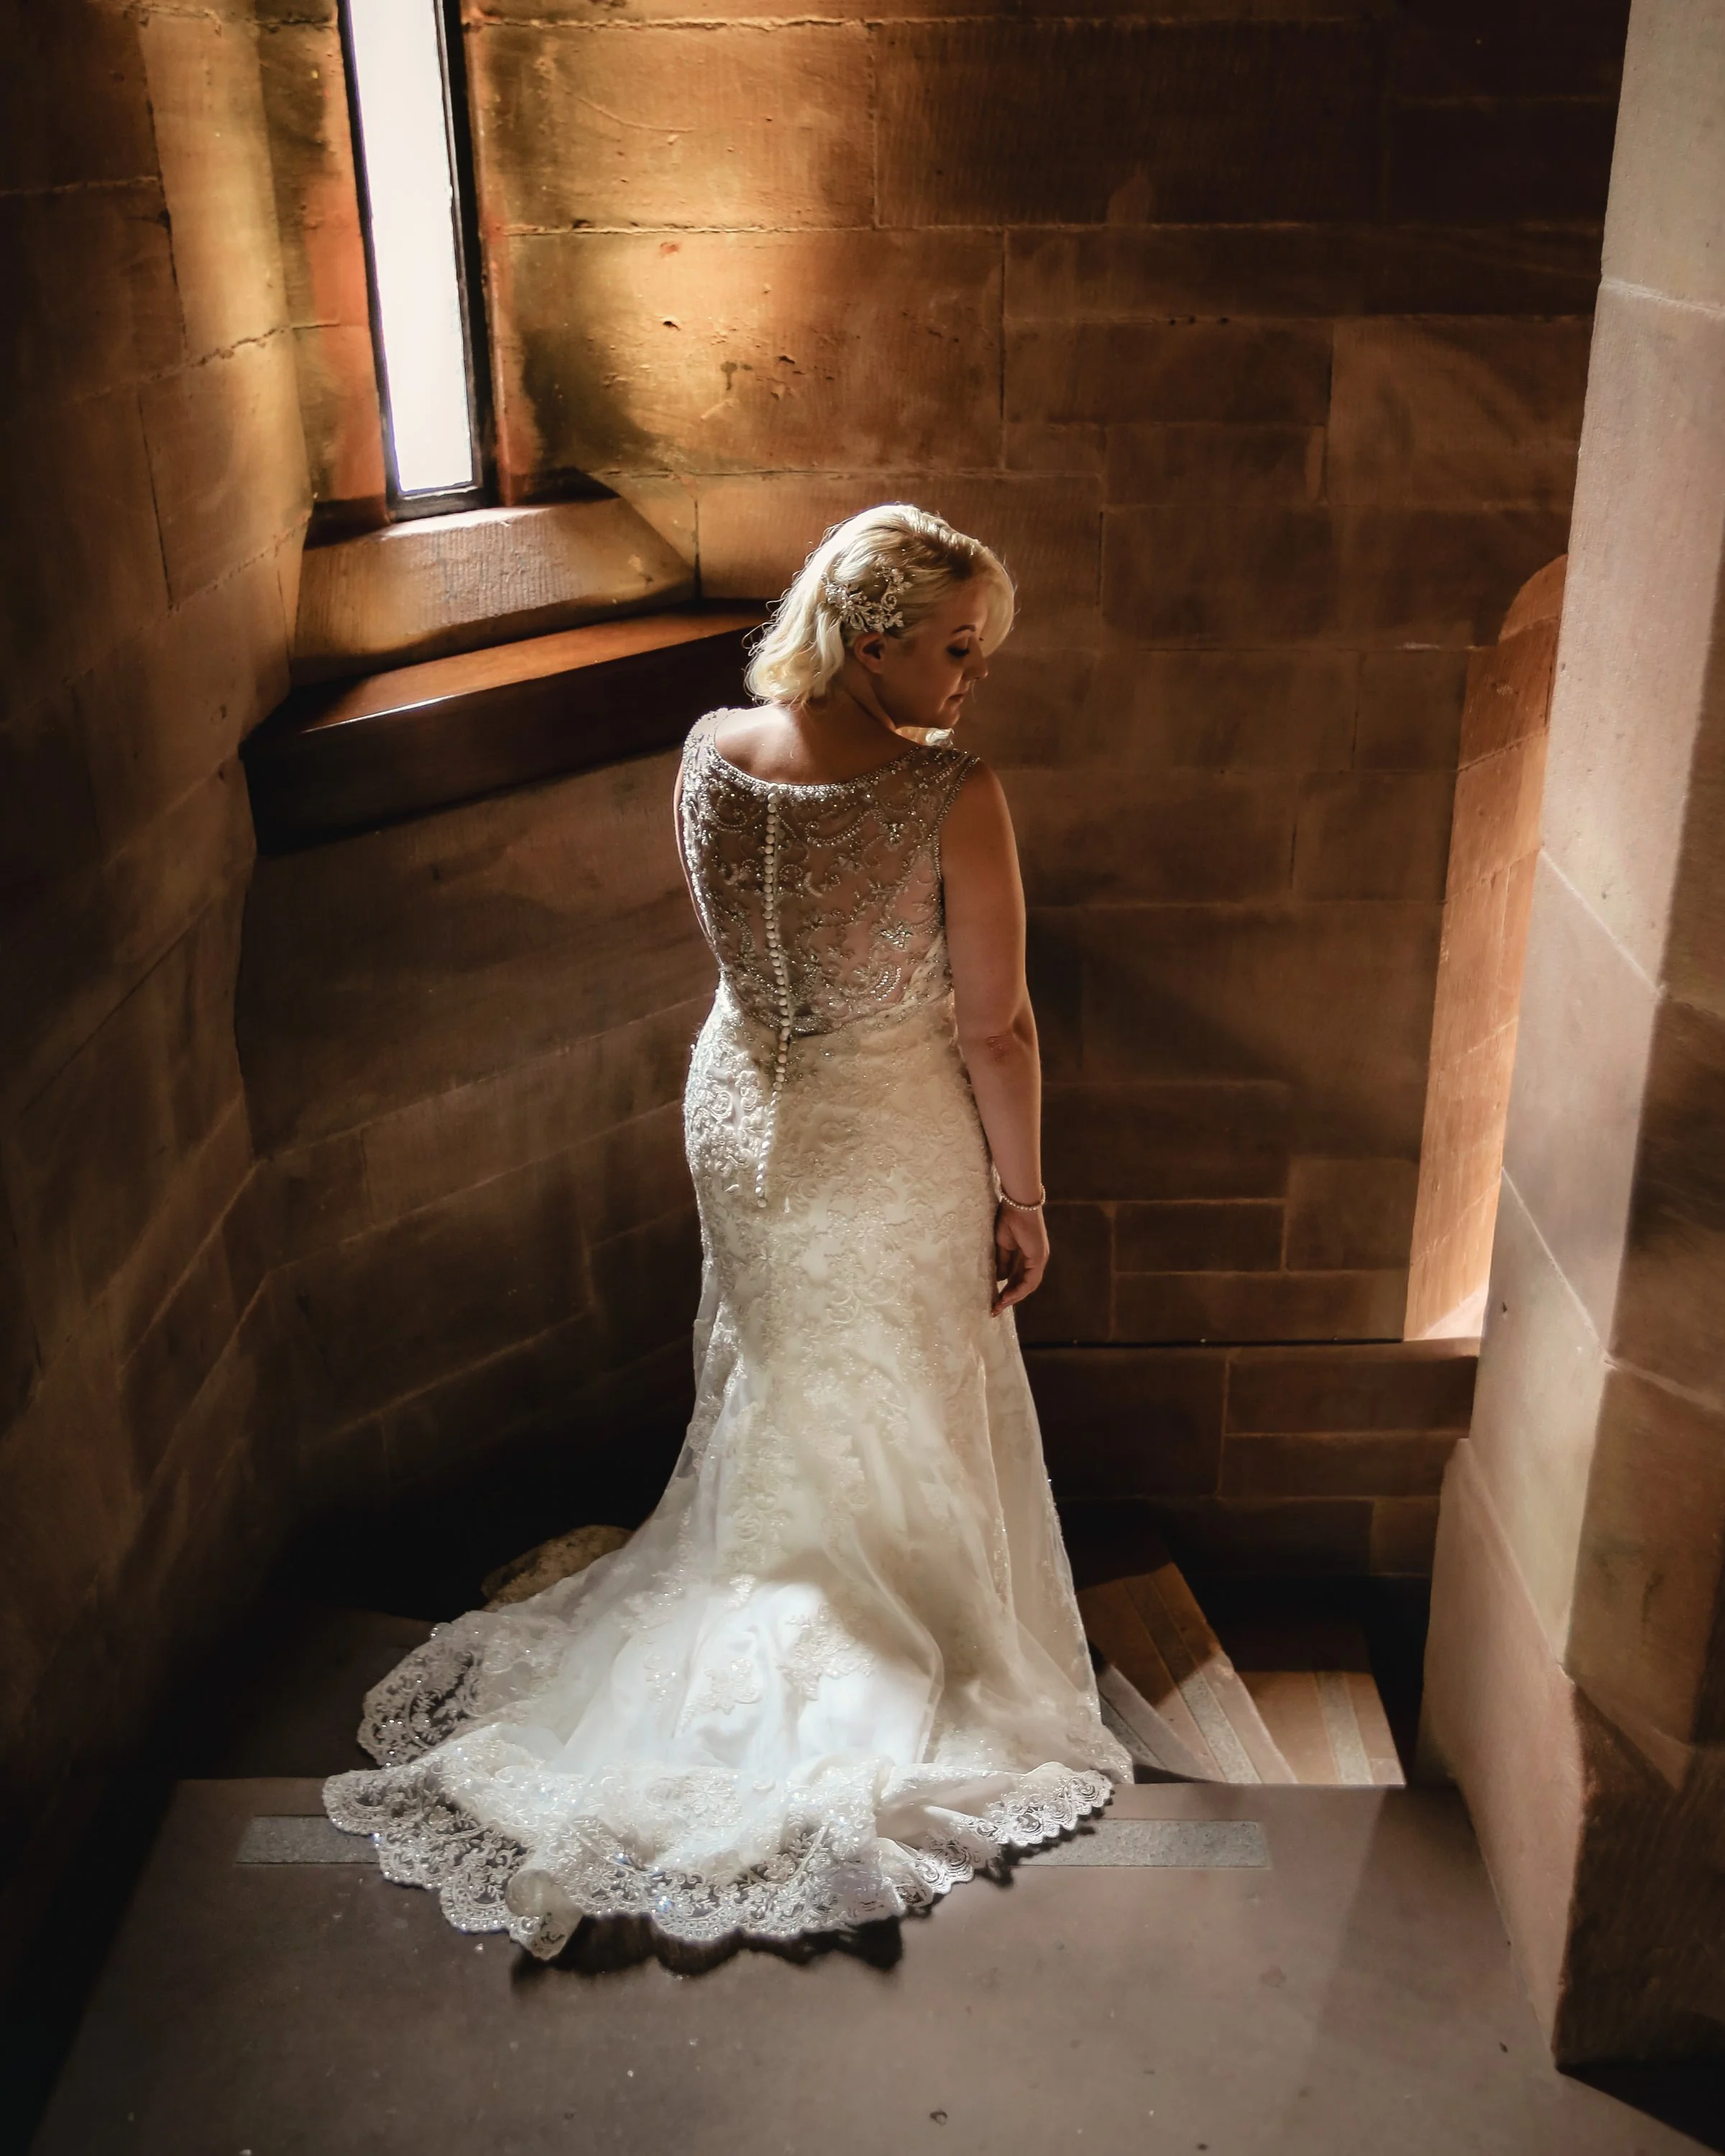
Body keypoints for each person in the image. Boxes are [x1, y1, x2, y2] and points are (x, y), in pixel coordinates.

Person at [324, 505, 1131, 1954]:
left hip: (738, 1108)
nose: (975, 678)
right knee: (886, 1382)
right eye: (960, 647)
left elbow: (736, 944)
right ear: (873, 637)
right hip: (885, 1135)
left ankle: (783, 1585)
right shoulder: (955, 793)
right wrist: (1026, 1196)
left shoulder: (710, 748)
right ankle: (883, 1637)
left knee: (782, 1376)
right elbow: (999, 1028)